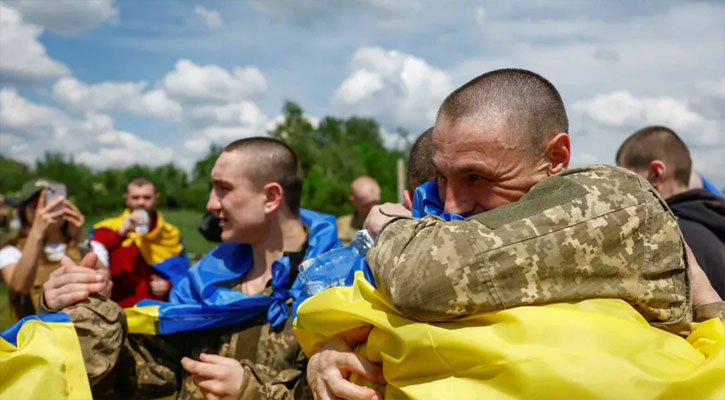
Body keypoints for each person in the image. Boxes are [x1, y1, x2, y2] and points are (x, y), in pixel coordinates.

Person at [306, 69, 724, 399]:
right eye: (441, 178)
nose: (452, 204)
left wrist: (388, 223)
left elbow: (422, 278)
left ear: (556, 157)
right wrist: (336, 353)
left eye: (476, 177)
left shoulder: (612, 196)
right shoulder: (494, 239)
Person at [39, 137, 340, 399]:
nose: (210, 203)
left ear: (271, 197)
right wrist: (81, 312)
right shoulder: (206, 285)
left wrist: (254, 391)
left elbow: (360, 390)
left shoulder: (337, 288)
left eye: (223, 188)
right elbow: (138, 377)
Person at [617, 126, 725, 298]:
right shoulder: (715, 221)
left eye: (626, 179)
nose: (622, 192)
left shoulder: (665, 235)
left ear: (656, 174)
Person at [89, 176, 183, 307]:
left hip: (157, 311)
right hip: (119, 311)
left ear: (156, 198)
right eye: (135, 197)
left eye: (147, 197)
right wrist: (122, 232)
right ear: (126, 199)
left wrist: (169, 284)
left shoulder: (170, 234)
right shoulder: (108, 229)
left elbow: (183, 273)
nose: (141, 202)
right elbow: (91, 256)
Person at [0, 178, 86, 320]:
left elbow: (105, 279)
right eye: (36, 205)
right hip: (38, 337)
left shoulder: (83, 244)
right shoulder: (11, 251)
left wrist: (80, 239)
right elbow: (20, 287)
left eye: (50, 203)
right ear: (24, 212)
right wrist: (37, 231)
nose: (45, 209)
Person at [337, 177, 381, 245]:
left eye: (376, 202)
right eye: (366, 205)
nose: (373, 208)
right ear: (353, 201)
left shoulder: (390, 226)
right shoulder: (339, 227)